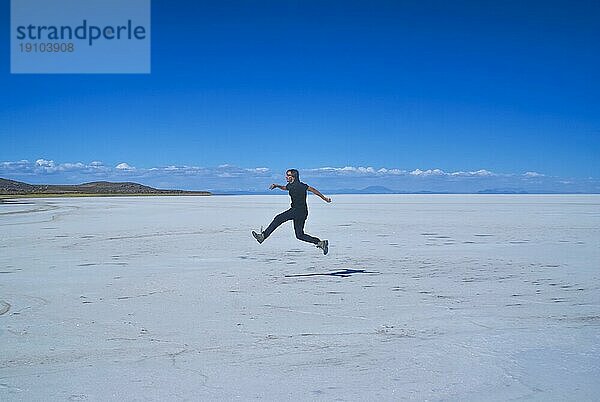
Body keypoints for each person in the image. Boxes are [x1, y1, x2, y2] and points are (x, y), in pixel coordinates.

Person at [252, 169, 332, 255]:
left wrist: (324, 198)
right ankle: (320, 243)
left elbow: (313, 190)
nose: (286, 177)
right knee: (299, 235)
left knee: (278, 218)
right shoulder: (290, 186)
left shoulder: (301, 186)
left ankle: (263, 236)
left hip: (298, 211)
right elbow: (285, 188)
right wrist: (277, 186)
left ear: (293, 177)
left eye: (288, 175)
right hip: (301, 212)